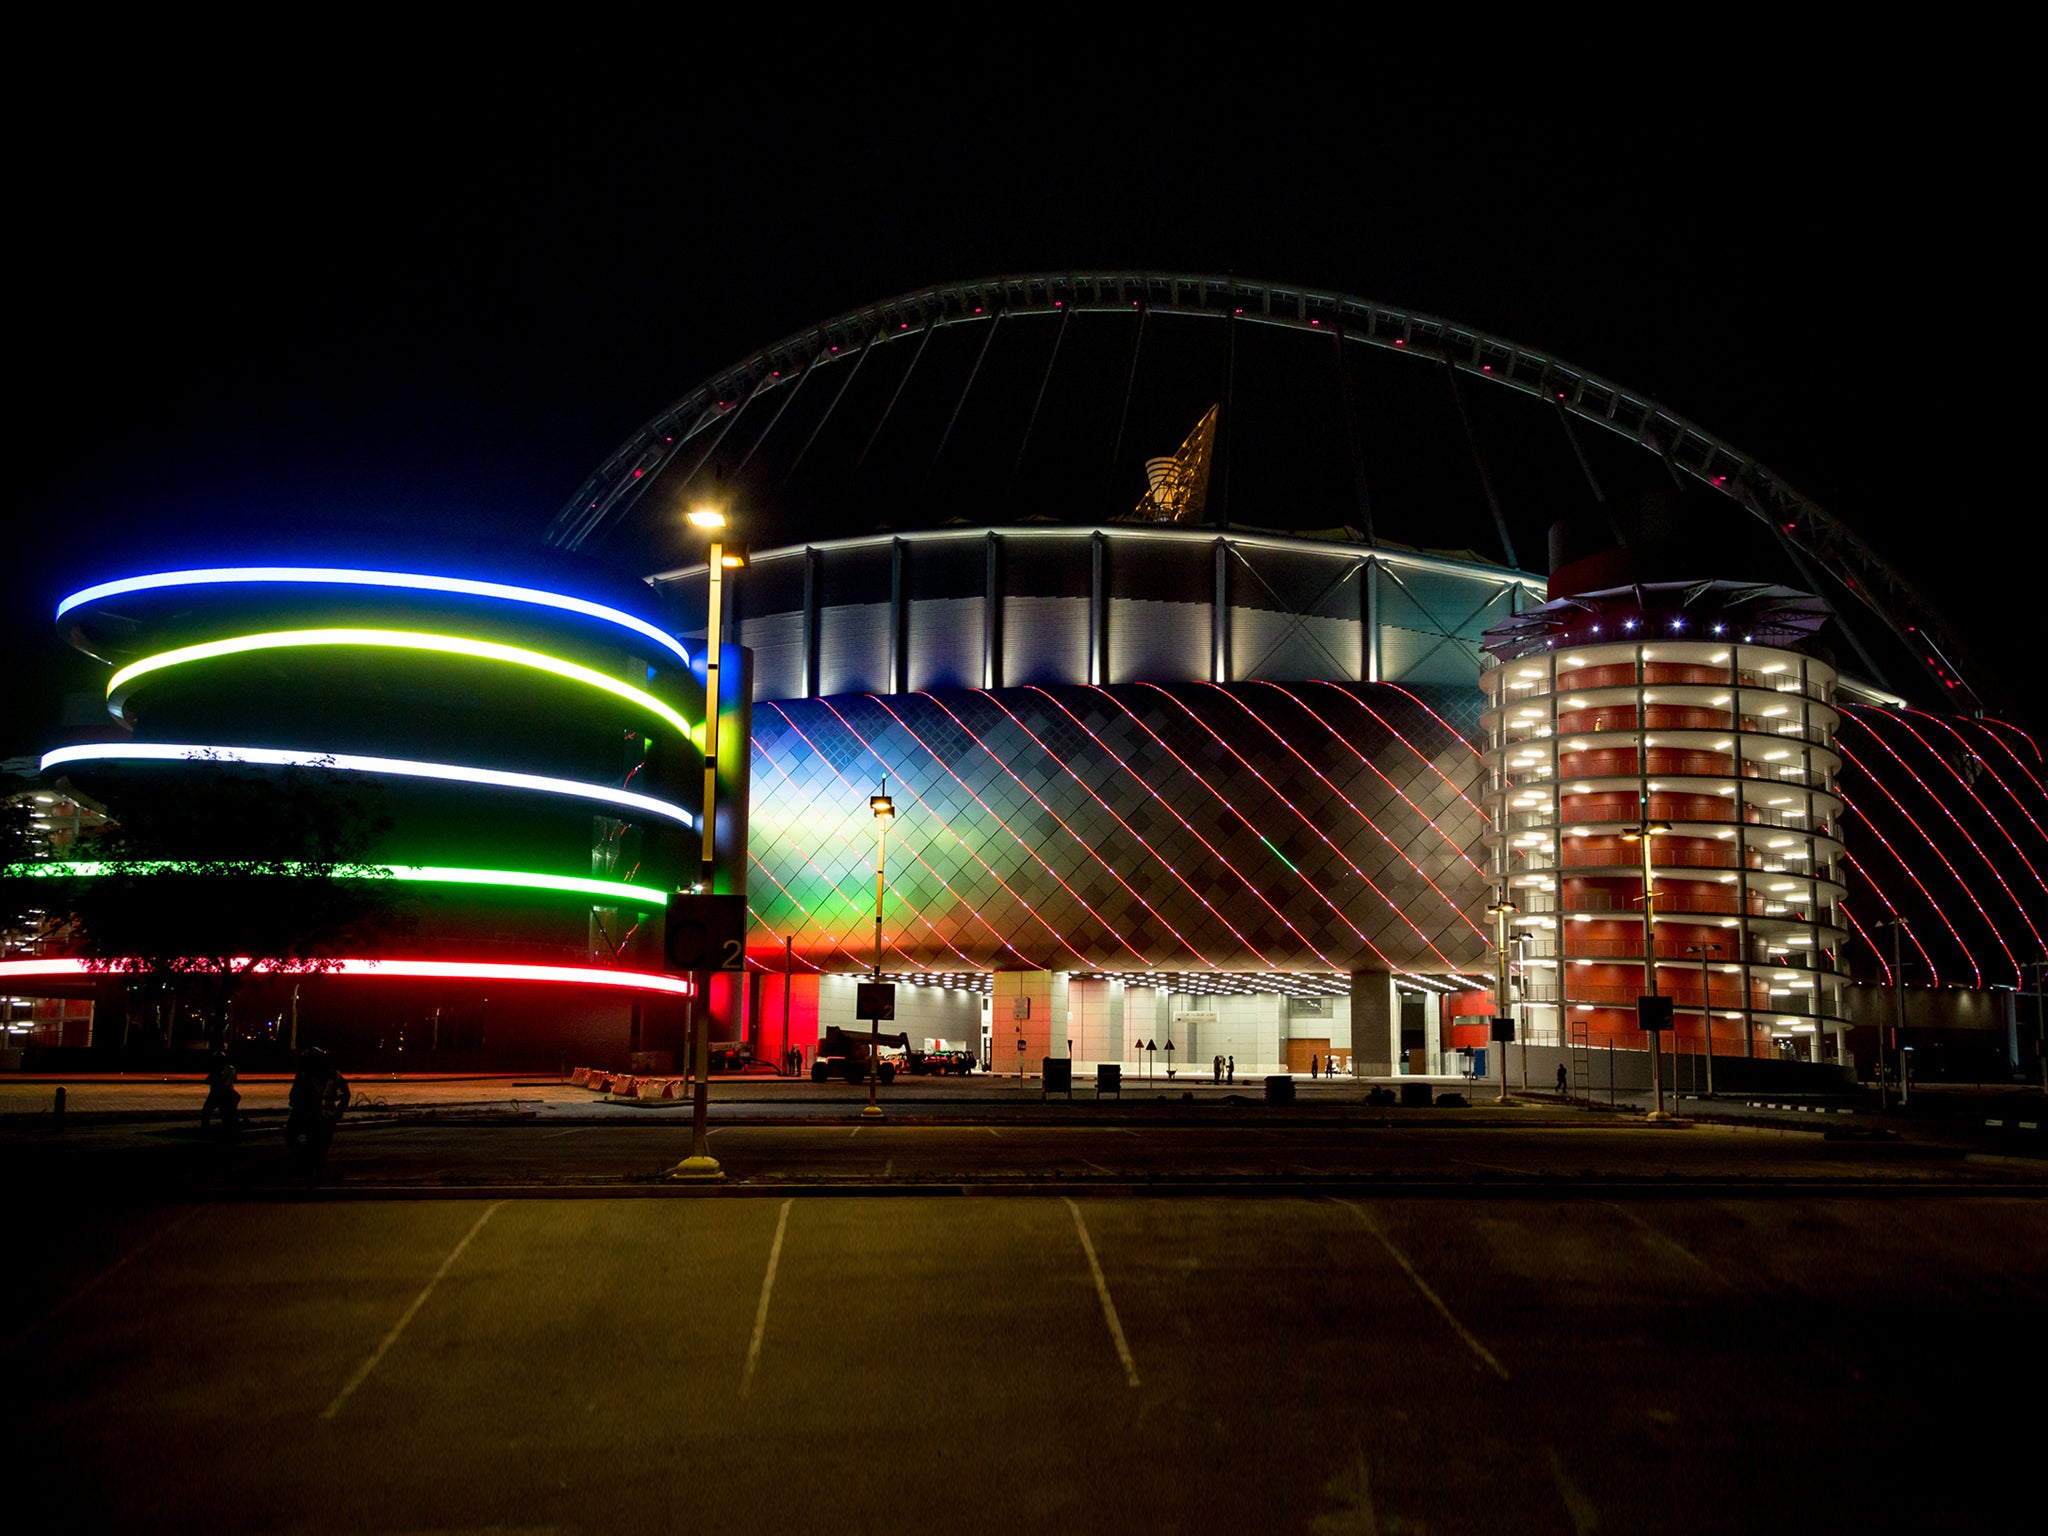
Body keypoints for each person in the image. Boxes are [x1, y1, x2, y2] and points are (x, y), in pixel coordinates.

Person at [286, 1047, 350, 1172]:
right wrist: (339, 1112)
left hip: (317, 1116)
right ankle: (312, 1166)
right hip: (325, 1116)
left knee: (295, 1137)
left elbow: (294, 1095)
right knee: (318, 1147)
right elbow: (345, 1094)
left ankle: (309, 1166)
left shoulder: (306, 1075)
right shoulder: (331, 1075)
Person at [199, 1049, 239, 1139]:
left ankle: (205, 1131)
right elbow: (235, 1079)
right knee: (227, 1113)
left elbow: (208, 1081)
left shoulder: (216, 1070)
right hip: (229, 1092)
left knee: (206, 1112)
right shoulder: (231, 1069)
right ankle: (229, 1130)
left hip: (217, 1093)